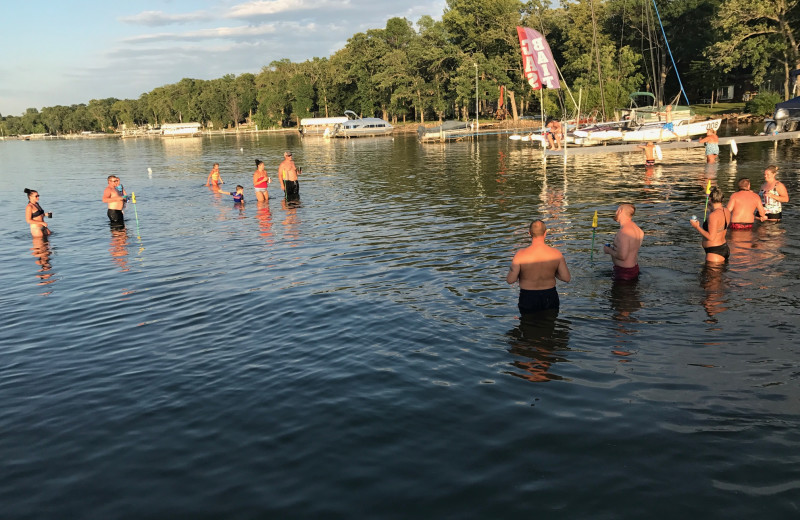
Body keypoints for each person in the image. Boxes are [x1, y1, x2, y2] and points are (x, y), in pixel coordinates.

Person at [506, 220, 571, 314]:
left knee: (527, 325)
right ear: (545, 233)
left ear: (529, 233)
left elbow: (510, 280)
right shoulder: (556, 254)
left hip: (528, 296)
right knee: (550, 325)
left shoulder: (520, 255)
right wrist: (553, 273)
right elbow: (567, 278)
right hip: (550, 296)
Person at [603, 203, 644, 281]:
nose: (615, 213)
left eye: (616, 210)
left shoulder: (624, 232)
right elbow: (631, 251)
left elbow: (622, 256)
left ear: (620, 211)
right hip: (634, 269)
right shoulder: (639, 230)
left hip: (624, 273)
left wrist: (608, 250)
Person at [691, 186, 731, 263]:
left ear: (710, 199)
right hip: (723, 247)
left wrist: (697, 227)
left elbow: (711, 237)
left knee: (710, 275)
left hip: (714, 252)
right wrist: (711, 210)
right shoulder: (726, 211)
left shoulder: (713, 215)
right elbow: (718, 226)